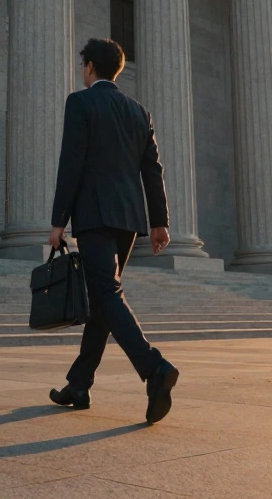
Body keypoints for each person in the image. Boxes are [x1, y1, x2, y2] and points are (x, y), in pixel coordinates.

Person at [46, 38, 179, 424]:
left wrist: (58, 220)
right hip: (129, 219)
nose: (81, 70)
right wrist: (159, 222)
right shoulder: (139, 112)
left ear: (90, 67)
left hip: (95, 214)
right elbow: (153, 169)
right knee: (102, 299)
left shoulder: (81, 102)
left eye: (82, 65)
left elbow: (71, 161)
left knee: (106, 293)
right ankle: (79, 383)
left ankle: (155, 368)